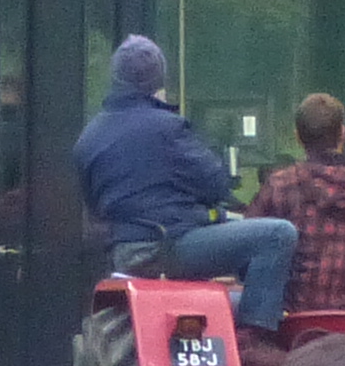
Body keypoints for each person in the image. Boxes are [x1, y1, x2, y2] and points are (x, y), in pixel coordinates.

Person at [74, 34, 296, 334]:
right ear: (157, 80)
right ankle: (255, 335)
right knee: (277, 235)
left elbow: (95, 208)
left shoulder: (89, 138)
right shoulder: (166, 127)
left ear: (116, 77)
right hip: (169, 247)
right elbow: (215, 185)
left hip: (124, 252)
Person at [251, 92, 345, 314]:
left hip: (297, 319)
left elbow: (253, 249)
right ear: (343, 134)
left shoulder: (280, 185)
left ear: (297, 137)